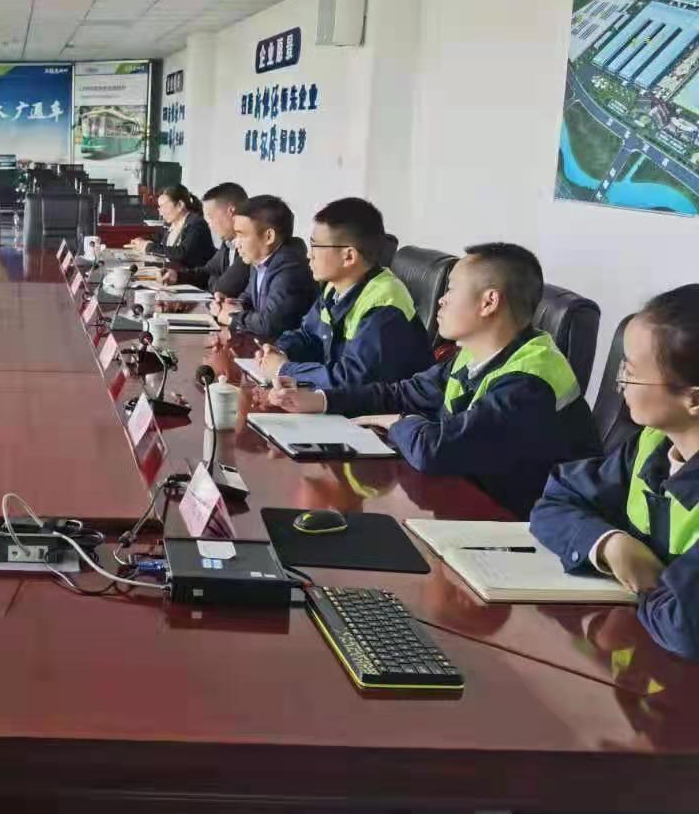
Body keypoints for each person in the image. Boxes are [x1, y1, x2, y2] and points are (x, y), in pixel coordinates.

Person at [271, 242, 600, 518]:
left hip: (520, 531)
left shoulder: (529, 382)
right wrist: (321, 399)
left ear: (489, 302)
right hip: (468, 504)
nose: (441, 299)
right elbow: (403, 393)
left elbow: (436, 449)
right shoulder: (477, 354)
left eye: (451, 289)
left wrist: (398, 421)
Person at [532, 285, 699, 659]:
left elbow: (685, 627)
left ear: (694, 399)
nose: (620, 382)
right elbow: (555, 499)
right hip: (644, 657)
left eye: (631, 371)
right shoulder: (652, 444)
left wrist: (648, 583)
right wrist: (609, 543)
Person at [255, 197, 432, 392]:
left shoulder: (385, 303)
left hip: (382, 408)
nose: (309, 255)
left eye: (316, 246)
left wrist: (283, 369)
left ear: (348, 256)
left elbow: (350, 380)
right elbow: (309, 335)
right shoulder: (334, 287)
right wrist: (279, 350)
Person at [212, 195, 316, 338]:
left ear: (269, 237)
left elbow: (269, 324)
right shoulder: (260, 260)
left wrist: (232, 318)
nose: (237, 243)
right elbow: (249, 298)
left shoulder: (291, 269)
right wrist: (233, 304)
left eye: (242, 235)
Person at [161, 182, 250, 297]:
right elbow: (207, 271)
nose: (210, 224)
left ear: (231, 212)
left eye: (211, 217)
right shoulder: (228, 242)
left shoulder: (249, 246)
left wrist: (212, 279)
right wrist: (177, 276)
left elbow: (222, 288)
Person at [128, 184, 214, 270]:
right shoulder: (171, 223)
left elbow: (182, 253)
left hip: (191, 276)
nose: (160, 213)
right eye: (159, 207)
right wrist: (141, 240)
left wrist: (149, 247)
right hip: (173, 272)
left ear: (180, 205)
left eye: (163, 206)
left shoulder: (197, 224)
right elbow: (157, 237)